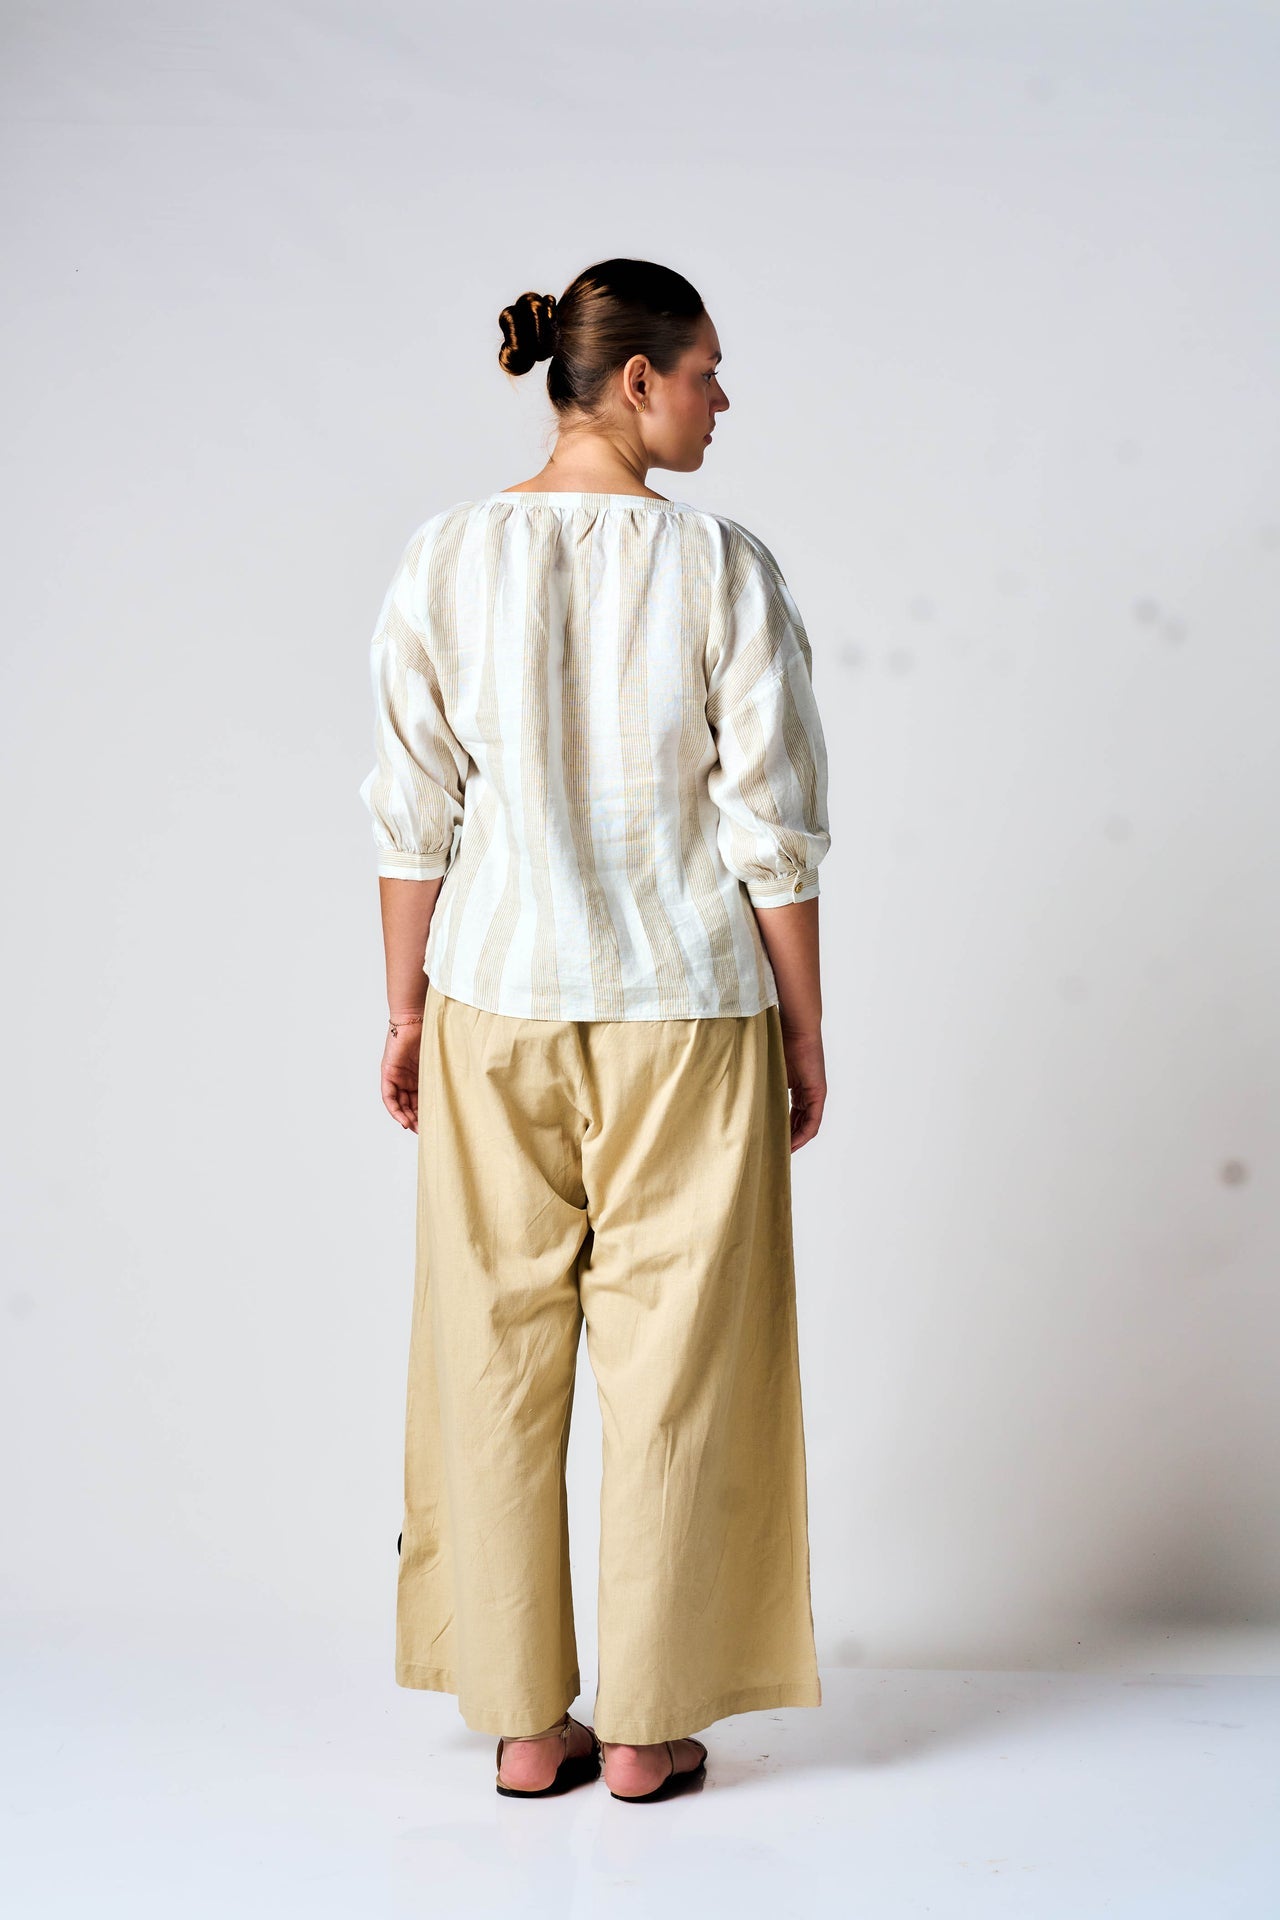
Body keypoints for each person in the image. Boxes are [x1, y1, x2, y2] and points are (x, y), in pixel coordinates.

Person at [358, 257, 831, 1802]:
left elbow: (411, 811)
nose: (721, 400)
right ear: (636, 380)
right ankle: (647, 1727)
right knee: (678, 1367)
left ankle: (520, 1724)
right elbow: (773, 827)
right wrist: (805, 1029)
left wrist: (405, 1007)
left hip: (493, 999)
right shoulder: (720, 567)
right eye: (705, 372)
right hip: (686, 1008)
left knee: (489, 1355)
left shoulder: (446, 555)